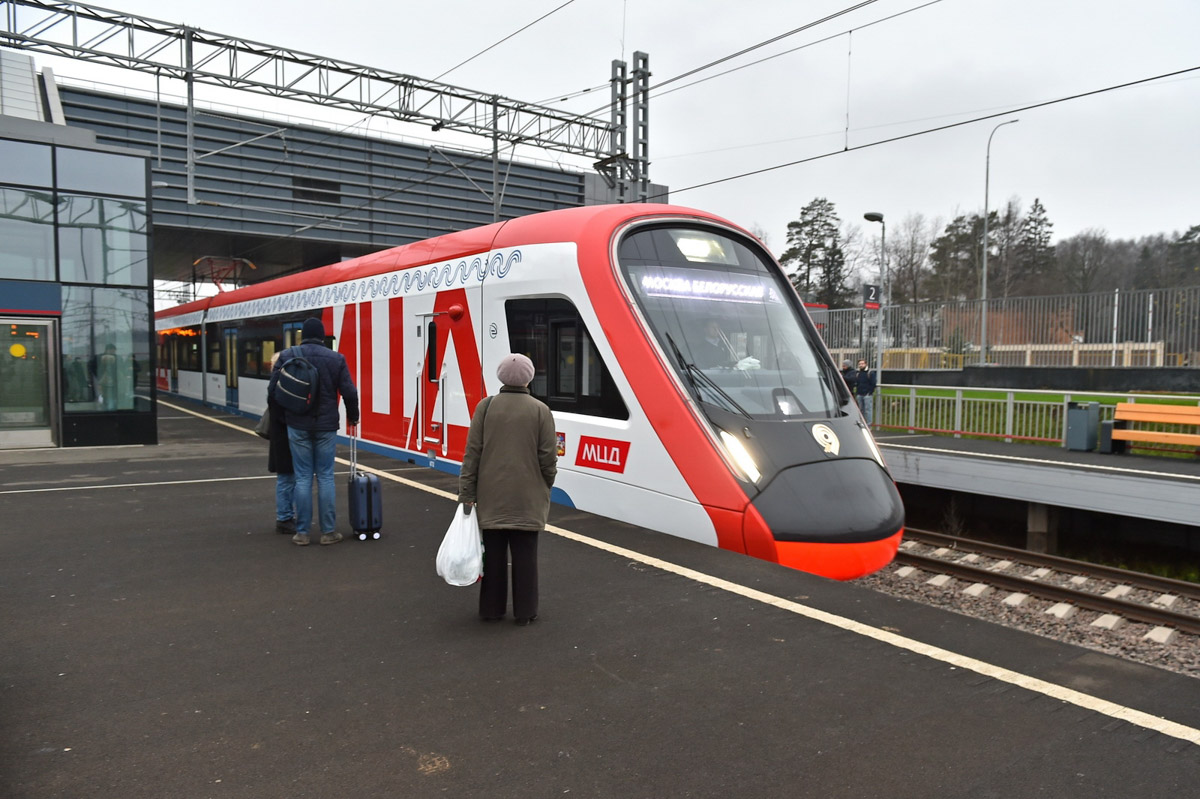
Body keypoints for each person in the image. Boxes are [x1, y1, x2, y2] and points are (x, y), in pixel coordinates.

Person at [458, 353, 558, 626]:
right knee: (526, 556)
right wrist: (544, 484)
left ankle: (492, 609)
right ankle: (525, 612)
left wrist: (466, 494)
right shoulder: (541, 410)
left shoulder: (485, 407)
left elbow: (472, 454)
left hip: (491, 496)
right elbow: (548, 457)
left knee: (494, 555)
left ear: (501, 376)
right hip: (528, 497)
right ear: (529, 378)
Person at [268, 317, 359, 547]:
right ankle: (328, 532)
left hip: (297, 425)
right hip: (326, 426)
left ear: (303, 336)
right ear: (322, 337)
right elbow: (349, 391)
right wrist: (353, 416)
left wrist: (283, 417)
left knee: (302, 477)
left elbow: (273, 391)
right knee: (326, 476)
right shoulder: (336, 358)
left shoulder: (289, 356)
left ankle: (302, 533)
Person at [266, 351, 295, 535]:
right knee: (286, 478)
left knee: (286, 478)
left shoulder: (274, 385)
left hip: (279, 438)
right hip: (284, 437)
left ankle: (286, 516)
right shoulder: (280, 387)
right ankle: (284, 518)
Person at [855, 358, 877, 425]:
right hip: (860, 393)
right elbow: (857, 383)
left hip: (867, 394)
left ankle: (868, 424)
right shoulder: (858, 373)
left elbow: (873, 383)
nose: (861, 365)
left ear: (866, 364)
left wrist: (870, 392)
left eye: (862, 364)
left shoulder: (870, 373)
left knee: (868, 410)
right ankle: (862, 422)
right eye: (859, 364)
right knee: (861, 409)